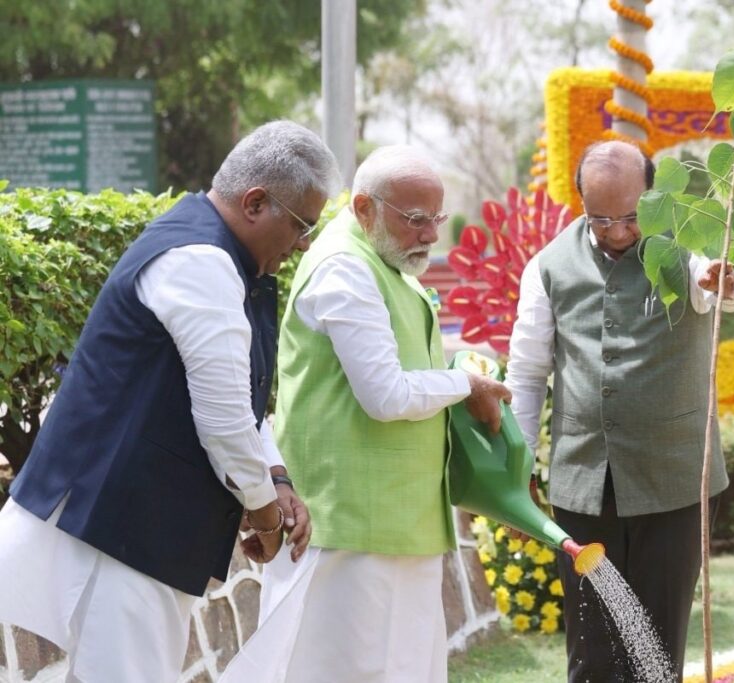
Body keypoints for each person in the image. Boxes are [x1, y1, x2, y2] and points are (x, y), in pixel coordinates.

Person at [0, 120, 340, 682]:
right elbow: (223, 419)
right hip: (119, 530)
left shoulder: (216, 253)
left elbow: (239, 402)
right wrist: (265, 514)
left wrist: (275, 479)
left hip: (132, 527)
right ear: (256, 203)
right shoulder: (201, 260)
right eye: (302, 224)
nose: (304, 242)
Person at [223, 145, 511, 683]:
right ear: (363, 208)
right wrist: (464, 384)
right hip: (344, 532)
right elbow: (385, 394)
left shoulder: (385, 259)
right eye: (416, 219)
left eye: (437, 219)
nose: (430, 235)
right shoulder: (344, 267)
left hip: (395, 525)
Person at [505, 140, 734, 681]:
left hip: (675, 483)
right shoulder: (548, 266)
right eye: (601, 219)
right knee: (592, 648)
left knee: (657, 651)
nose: (617, 232)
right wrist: (517, 471)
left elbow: (722, 289)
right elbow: (525, 374)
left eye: (631, 217)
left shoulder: (686, 250)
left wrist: (726, 283)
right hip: (583, 484)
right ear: (581, 203)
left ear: (652, 195)